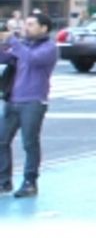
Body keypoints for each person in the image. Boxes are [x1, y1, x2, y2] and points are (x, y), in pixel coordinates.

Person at [0, 12, 59, 198]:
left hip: (33, 101)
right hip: (13, 99)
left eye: (31, 24)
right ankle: (4, 181)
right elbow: (4, 58)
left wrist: (14, 42)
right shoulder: (22, 45)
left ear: (44, 28)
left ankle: (30, 181)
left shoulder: (50, 48)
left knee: (29, 142)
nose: (26, 28)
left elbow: (32, 59)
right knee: (1, 140)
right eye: (26, 24)